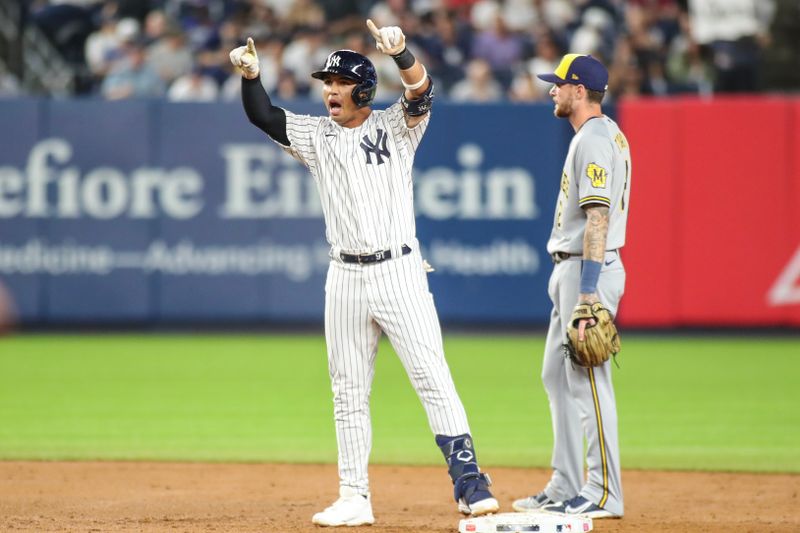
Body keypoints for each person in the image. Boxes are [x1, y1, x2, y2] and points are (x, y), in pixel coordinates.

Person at [229, 20, 499, 528]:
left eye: (340, 82)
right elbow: (264, 115)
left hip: (399, 270)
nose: (330, 90)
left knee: (432, 377)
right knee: (347, 391)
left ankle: (470, 484)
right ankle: (354, 495)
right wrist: (250, 77)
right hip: (345, 278)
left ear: (365, 89)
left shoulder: (395, 126)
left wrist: (401, 53)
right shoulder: (314, 135)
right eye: (326, 83)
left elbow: (421, 90)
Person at [512, 54, 630, 520]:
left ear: (579, 91)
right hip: (572, 266)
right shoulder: (599, 134)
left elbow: (598, 216)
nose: (551, 91)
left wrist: (587, 293)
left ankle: (604, 492)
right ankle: (564, 482)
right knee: (555, 376)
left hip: (588, 270)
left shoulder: (595, 140)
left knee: (589, 383)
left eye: (558, 85)